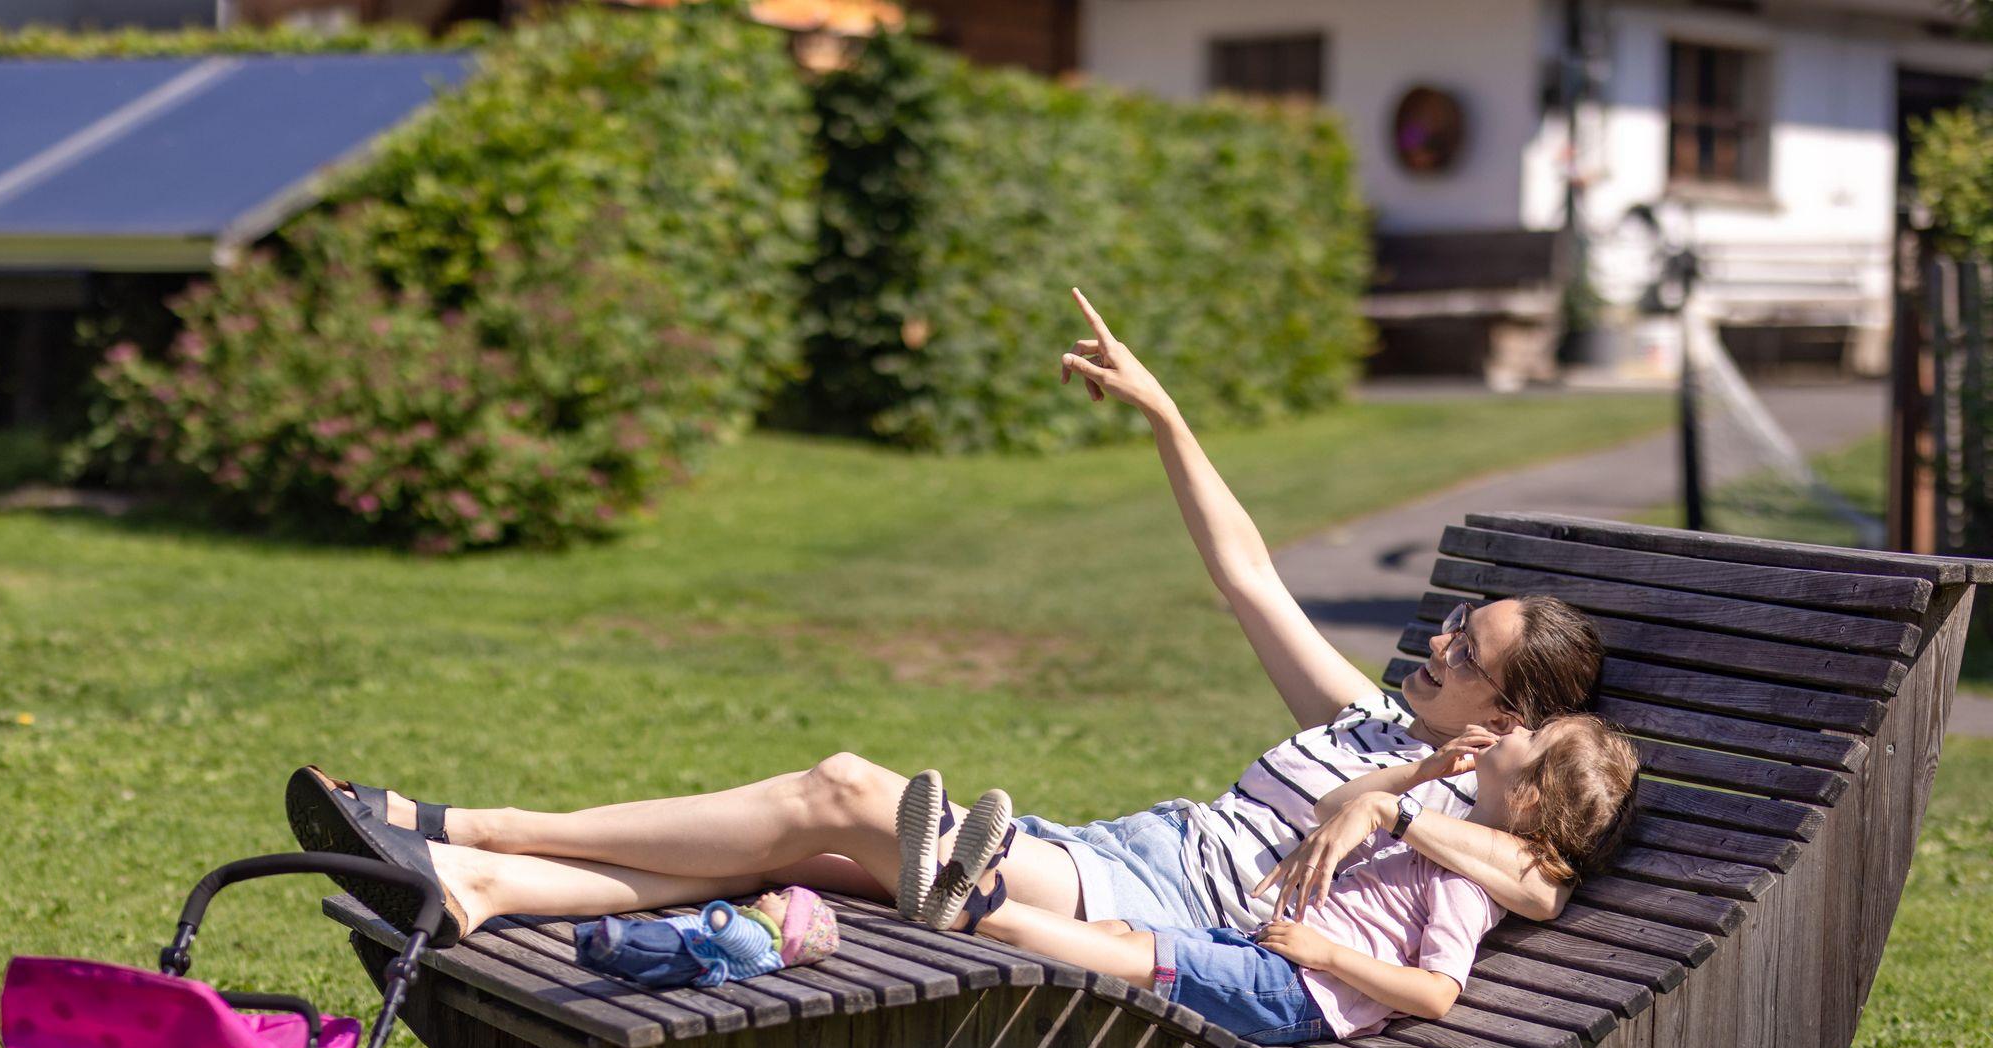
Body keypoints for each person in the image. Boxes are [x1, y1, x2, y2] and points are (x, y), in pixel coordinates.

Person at [285, 289, 1607, 949]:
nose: (1437, 642)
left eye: (1465, 652)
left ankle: (472, 827)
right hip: (1115, 849)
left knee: (841, 786)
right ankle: (481, 887)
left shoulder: (1481, 806)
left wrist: (1395, 809)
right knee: (808, 846)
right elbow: (1248, 576)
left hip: (1153, 914)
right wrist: (1165, 415)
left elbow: (1541, 886)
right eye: (1452, 625)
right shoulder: (1366, 719)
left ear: (1510, 713)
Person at [891, 714, 1640, 1047]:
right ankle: (960, 894)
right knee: (1120, 936)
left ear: (1528, 797)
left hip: (1300, 985)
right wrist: (1419, 774)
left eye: (1530, 736)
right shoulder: (1451, 835)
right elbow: (1334, 809)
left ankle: (973, 906)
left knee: (1133, 955)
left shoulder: (1467, 883)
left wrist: (1328, 954)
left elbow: (1439, 993)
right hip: (1274, 959)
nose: (1512, 729)